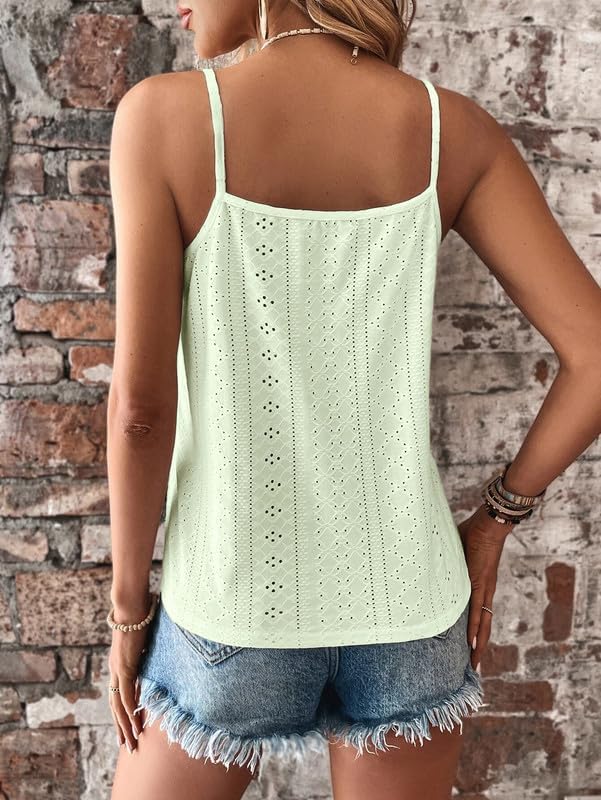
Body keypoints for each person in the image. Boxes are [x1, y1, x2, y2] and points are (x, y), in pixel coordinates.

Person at [106, 1, 601, 798]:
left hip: (234, 607)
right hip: (412, 612)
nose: (178, 5)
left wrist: (128, 610)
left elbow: (139, 411)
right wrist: (492, 521)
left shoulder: (161, 117)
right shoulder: (450, 131)